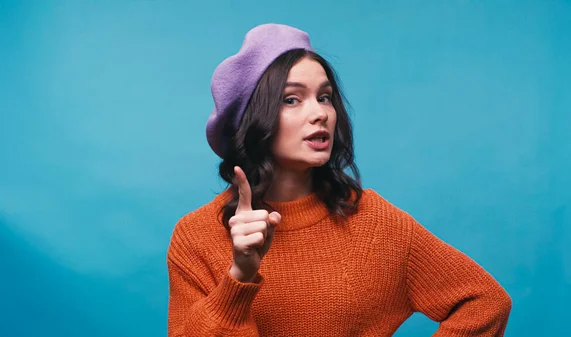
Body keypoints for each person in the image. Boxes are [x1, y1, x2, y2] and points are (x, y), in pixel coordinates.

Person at [166, 23, 512, 337]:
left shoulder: (374, 221)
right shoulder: (196, 236)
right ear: (253, 118)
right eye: (292, 99)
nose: (320, 113)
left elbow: (485, 301)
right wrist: (238, 277)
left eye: (325, 96)